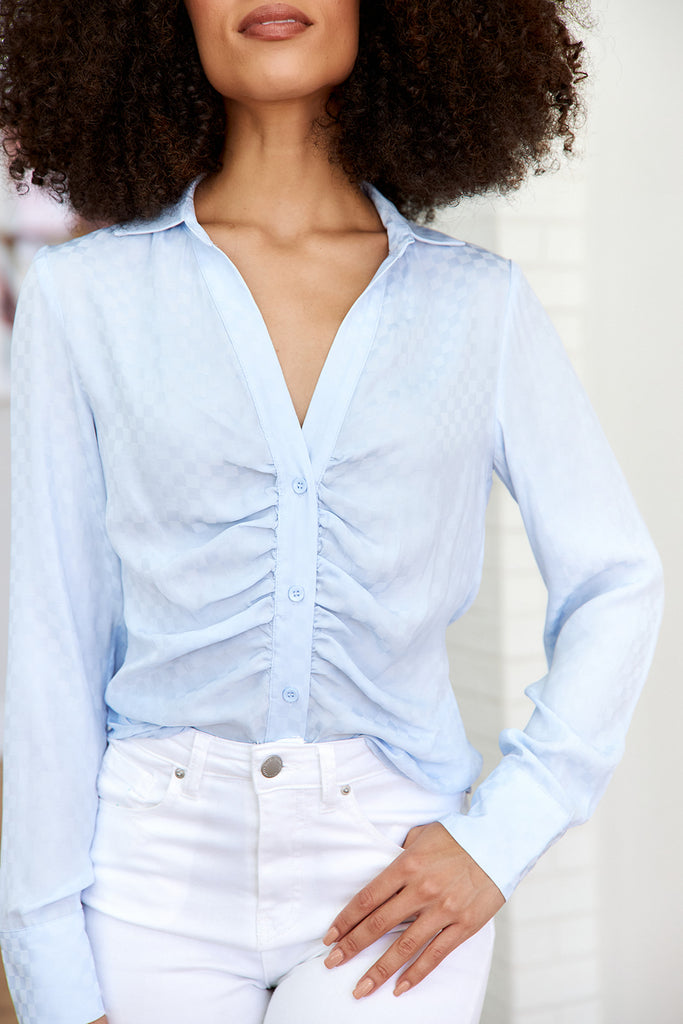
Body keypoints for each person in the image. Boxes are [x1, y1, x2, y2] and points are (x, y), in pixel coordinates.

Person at [0, 1, 664, 1022]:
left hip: (394, 877)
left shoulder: (476, 304)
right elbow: (48, 639)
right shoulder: (82, 298)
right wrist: (47, 962)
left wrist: (502, 836)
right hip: (146, 874)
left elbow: (616, 581)